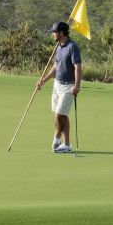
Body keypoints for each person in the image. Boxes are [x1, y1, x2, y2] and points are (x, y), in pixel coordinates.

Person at [36, 21, 81, 153]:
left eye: (54, 32)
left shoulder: (73, 47)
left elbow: (78, 67)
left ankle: (56, 138)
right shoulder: (59, 47)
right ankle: (66, 145)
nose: (52, 34)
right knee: (62, 115)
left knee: (59, 116)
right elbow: (56, 67)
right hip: (57, 84)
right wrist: (43, 80)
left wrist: (77, 86)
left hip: (69, 86)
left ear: (61, 33)